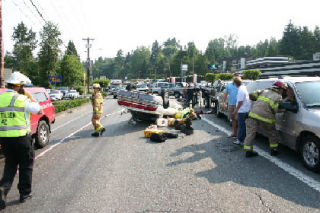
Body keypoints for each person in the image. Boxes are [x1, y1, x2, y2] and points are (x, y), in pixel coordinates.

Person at [0, 72, 43, 209]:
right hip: (21, 138)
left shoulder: (0, 98)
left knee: (10, 165)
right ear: (19, 86)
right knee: (26, 165)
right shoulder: (21, 99)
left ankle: (3, 189)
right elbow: (39, 110)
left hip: (5, 139)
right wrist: (29, 95)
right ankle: (25, 193)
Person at [244, 81, 288, 157]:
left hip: (253, 114)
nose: (283, 91)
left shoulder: (264, 91)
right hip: (266, 117)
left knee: (250, 133)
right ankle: (274, 150)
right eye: (283, 90)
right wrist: (284, 109)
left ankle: (248, 151)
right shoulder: (278, 97)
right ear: (279, 89)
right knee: (272, 133)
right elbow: (275, 109)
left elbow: (251, 95)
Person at [231, 77, 251, 145]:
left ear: (236, 83)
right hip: (246, 109)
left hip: (242, 110)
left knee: (241, 125)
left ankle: (240, 139)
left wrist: (235, 111)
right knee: (243, 125)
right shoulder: (244, 88)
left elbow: (240, 102)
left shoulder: (240, 90)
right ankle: (242, 137)